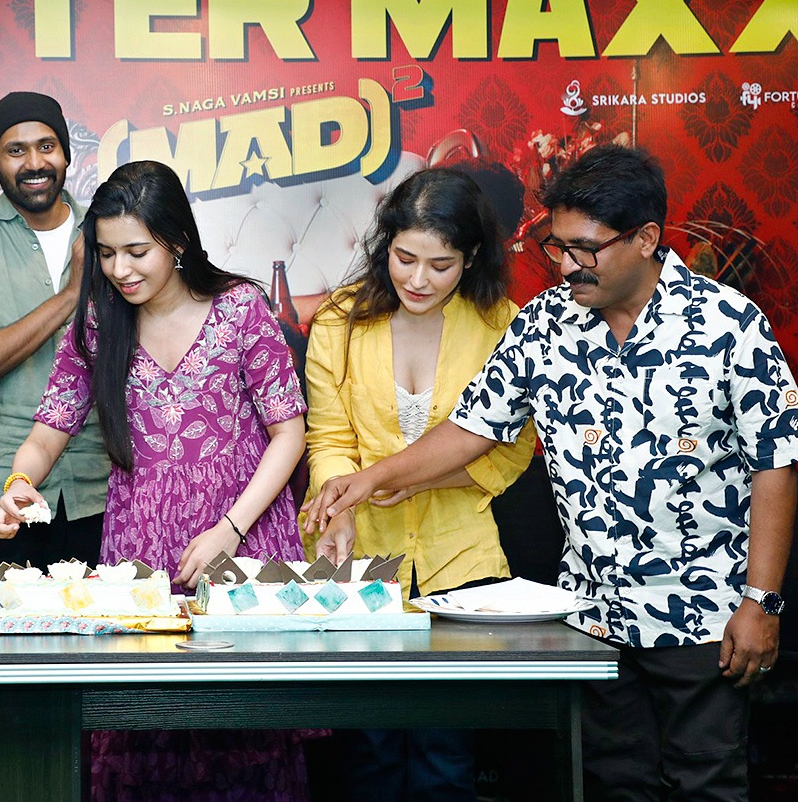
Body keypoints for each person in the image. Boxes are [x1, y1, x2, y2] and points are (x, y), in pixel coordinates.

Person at [305, 145, 798, 802]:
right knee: (609, 783)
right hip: (591, 616)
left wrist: (762, 601)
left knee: (705, 786)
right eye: (558, 247)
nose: (566, 265)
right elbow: (472, 429)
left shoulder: (729, 324)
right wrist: (368, 480)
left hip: (703, 613)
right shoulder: (545, 325)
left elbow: (776, 463)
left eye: (585, 249)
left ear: (646, 238)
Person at [0, 160, 311, 801]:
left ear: (178, 240)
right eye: (106, 253)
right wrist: (19, 483)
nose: (120, 269)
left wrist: (229, 530)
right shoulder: (99, 321)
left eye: (137, 251)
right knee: (145, 733)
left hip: (243, 537)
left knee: (246, 736)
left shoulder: (240, 309)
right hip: (142, 547)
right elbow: (49, 431)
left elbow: (289, 434)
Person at [302, 168, 535, 802]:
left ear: (472, 258)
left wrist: (424, 479)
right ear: (386, 245)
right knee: (370, 753)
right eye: (405, 258)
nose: (418, 280)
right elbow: (329, 439)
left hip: (461, 557)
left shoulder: (502, 324)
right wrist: (338, 507)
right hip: (359, 557)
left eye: (441, 264)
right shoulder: (339, 322)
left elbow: (515, 447)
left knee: (446, 754)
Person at [0, 91, 107, 582]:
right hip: (1, 494)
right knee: (3, 628)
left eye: (47, 147)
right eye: (16, 151)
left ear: (67, 155)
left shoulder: (107, 233)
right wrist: (72, 295)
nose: (34, 163)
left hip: (101, 486)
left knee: (108, 628)